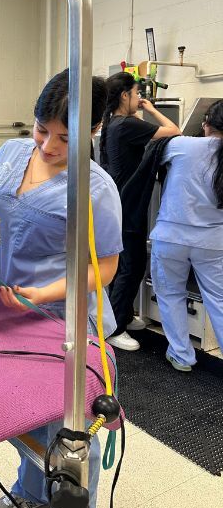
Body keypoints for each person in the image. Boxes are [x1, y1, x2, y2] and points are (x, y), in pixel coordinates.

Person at [0, 71, 123, 508]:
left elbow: (105, 268)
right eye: (41, 129)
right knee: (26, 415)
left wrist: (44, 294)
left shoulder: (96, 189)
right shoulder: (12, 153)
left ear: (94, 129)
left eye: (65, 138)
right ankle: (32, 493)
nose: (49, 146)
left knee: (68, 432)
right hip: (3, 308)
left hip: (60, 319)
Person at [98, 70, 179, 349]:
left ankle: (119, 315)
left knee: (123, 265)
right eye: (135, 94)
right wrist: (152, 109)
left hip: (119, 204)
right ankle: (115, 328)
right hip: (127, 206)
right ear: (125, 96)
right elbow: (174, 131)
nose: (139, 98)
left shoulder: (115, 123)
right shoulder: (127, 125)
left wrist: (140, 108)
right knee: (131, 267)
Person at [149, 99, 223, 372]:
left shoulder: (181, 145)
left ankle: (182, 355)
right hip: (214, 241)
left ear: (206, 124)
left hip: (171, 235)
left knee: (170, 294)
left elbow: (155, 151)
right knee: (219, 300)